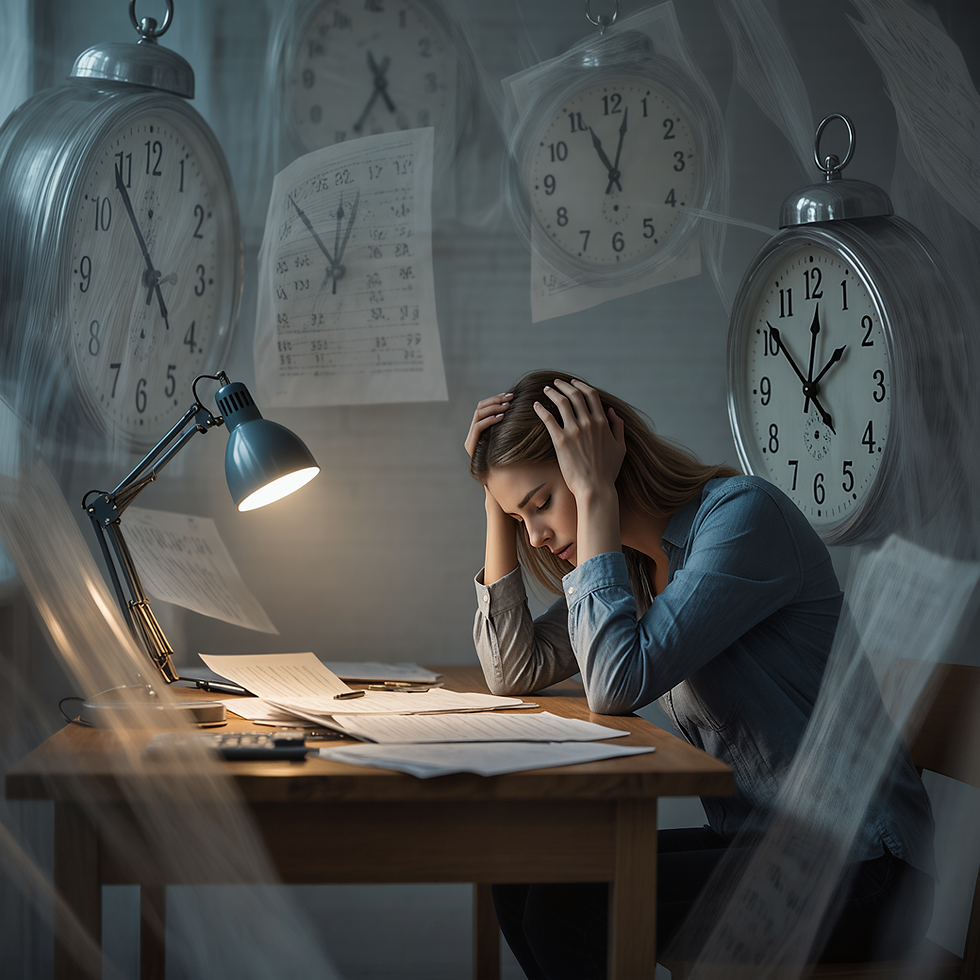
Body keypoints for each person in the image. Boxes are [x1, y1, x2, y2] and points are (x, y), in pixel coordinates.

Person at [465, 370, 935, 980]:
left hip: (862, 867)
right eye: (518, 517)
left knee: (568, 911)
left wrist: (598, 496)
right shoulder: (633, 571)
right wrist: (493, 502)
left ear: (601, 458)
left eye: (542, 503)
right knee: (523, 875)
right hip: (761, 843)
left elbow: (614, 684)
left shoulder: (741, 520)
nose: (537, 534)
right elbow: (513, 668)